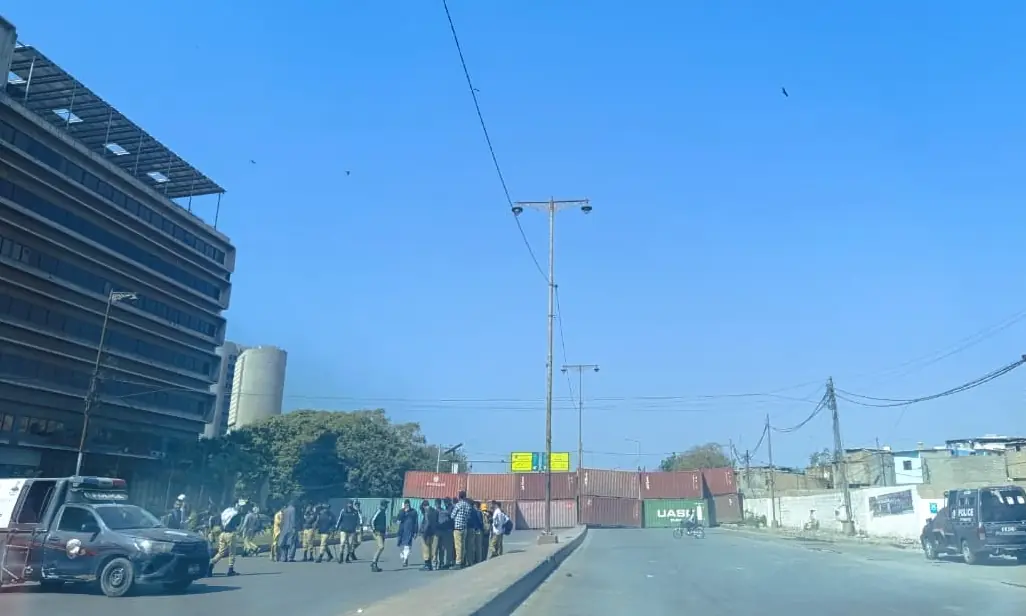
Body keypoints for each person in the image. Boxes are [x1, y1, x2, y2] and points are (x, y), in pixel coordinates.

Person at [209, 500, 245, 577]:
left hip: (222, 533)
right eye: (240, 506)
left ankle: (211, 564)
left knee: (221, 552)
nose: (241, 508)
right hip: (230, 534)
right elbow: (237, 525)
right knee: (232, 552)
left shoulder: (227, 510)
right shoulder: (237, 514)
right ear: (236, 505)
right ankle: (230, 570)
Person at [449, 491, 473, 569]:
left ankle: (458, 563)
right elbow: (469, 517)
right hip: (464, 528)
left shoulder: (458, 505)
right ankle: (462, 561)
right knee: (463, 545)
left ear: (459, 497)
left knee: (458, 546)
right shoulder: (468, 506)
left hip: (457, 528)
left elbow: (452, 516)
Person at [396, 499, 417, 568]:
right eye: (406, 504)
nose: (407, 505)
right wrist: (403, 512)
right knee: (400, 545)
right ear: (404, 505)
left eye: (408, 504)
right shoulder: (401, 511)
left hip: (409, 531)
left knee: (407, 546)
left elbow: (415, 523)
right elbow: (398, 520)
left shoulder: (413, 512)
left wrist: (415, 532)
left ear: (409, 504)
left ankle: (405, 560)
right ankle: (403, 556)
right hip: (401, 531)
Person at [369, 499, 389, 572]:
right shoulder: (379, 511)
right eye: (386, 504)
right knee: (381, 547)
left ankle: (375, 564)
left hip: (382, 532)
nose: (387, 506)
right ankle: (374, 563)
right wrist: (374, 530)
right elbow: (371, 521)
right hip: (377, 532)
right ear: (384, 505)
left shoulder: (383, 512)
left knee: (380, 548)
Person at [419, 499, 438, 570]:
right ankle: (433, 565)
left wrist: (424, 532)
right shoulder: (434, 511)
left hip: (427, 533)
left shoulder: (427, 512)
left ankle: (427, 565)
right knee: (432, 549)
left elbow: (427, 523)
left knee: (426, 549)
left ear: (424, 506)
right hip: (434, 532)